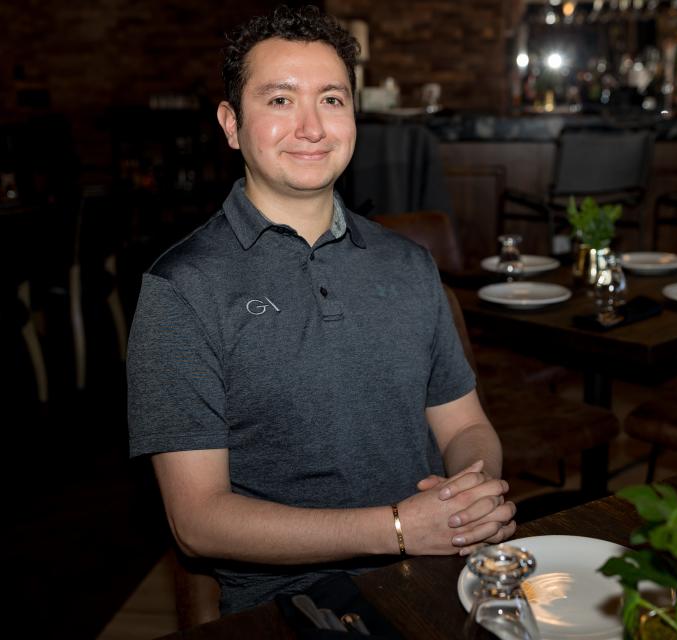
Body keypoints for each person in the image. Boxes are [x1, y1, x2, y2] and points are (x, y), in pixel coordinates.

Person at [126, 4, 515, 616]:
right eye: (280, 100)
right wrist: (394, 529)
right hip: (298, 601)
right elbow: (197, 521)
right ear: (231, 124)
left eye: (331, 100)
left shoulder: (409, 264)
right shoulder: (182, 289)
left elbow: (466, 427)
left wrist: (471, 491)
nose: (311, 126)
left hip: (444, 569)